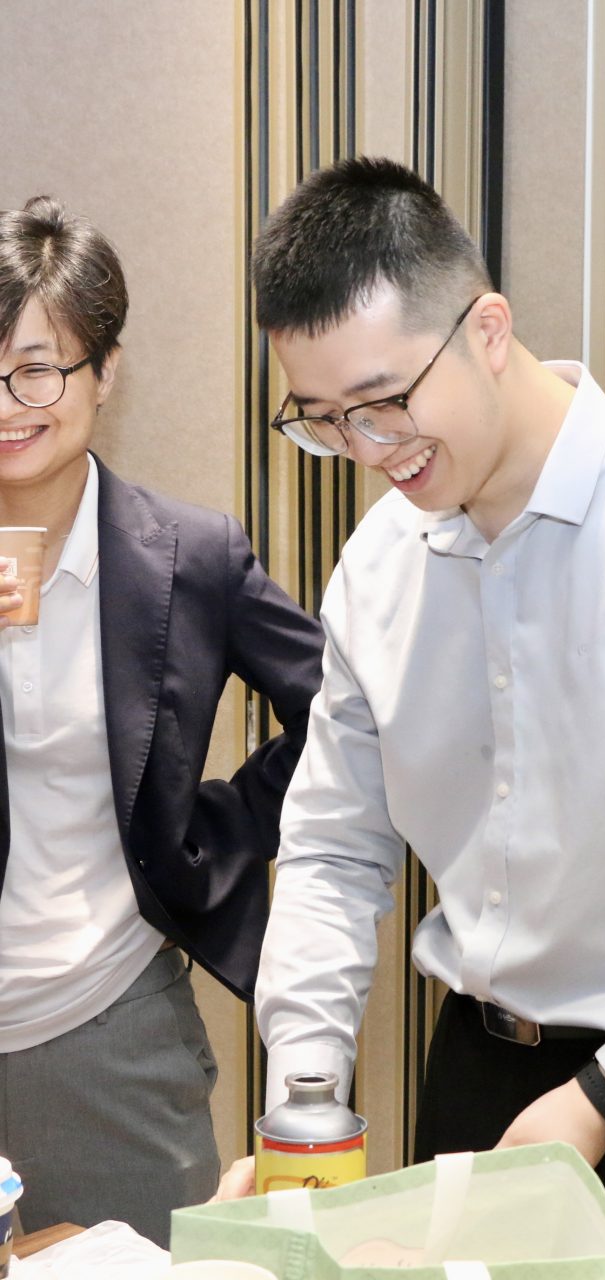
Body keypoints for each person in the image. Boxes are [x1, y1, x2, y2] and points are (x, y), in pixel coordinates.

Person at [216, 154, 605, 1202]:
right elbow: (334, 849)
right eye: (323, 418)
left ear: (488, 331)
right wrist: (305, 1101)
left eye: (382, 401)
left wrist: (598, 1098)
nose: (365, 448)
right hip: (477, 1071)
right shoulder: (383, 559)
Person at [0, 196, 324, 1245]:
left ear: (104, 370)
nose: (10, 404)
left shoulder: (188, 557)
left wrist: (213, 828)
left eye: (38, 368)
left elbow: (342, 716)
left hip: (108, 1036)